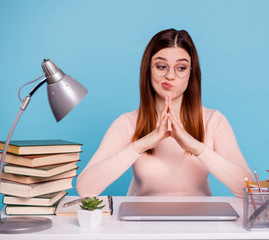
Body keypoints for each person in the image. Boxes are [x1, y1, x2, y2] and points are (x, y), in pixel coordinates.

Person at [76, 28, 254, 197]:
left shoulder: (213, 121)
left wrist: (197, 147)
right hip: (141, 225)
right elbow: (85, 188)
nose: (170, 76)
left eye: (181, 68)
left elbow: (248, 188)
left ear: (192, 74)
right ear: (148, 69)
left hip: (199, 225)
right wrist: (142, 144)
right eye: (161, 66)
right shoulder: (127, 123)